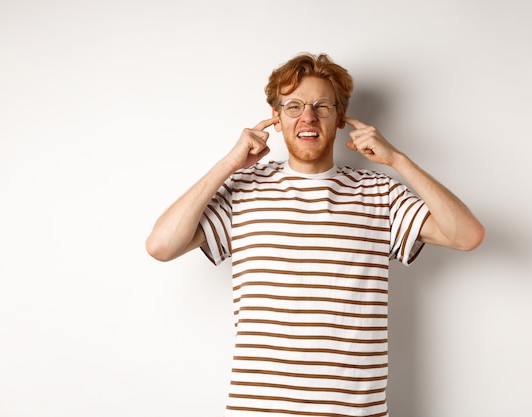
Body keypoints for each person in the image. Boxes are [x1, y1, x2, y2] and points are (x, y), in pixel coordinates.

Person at [146, 52, 485, 417]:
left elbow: (467, 235)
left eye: (321, 106)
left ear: (340, 118)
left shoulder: (377, 192)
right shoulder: (244, 189)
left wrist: (397, 160)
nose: (307, 117)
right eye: (294, 106)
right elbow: (161, 245)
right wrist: (228, 165)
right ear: (275, 119)